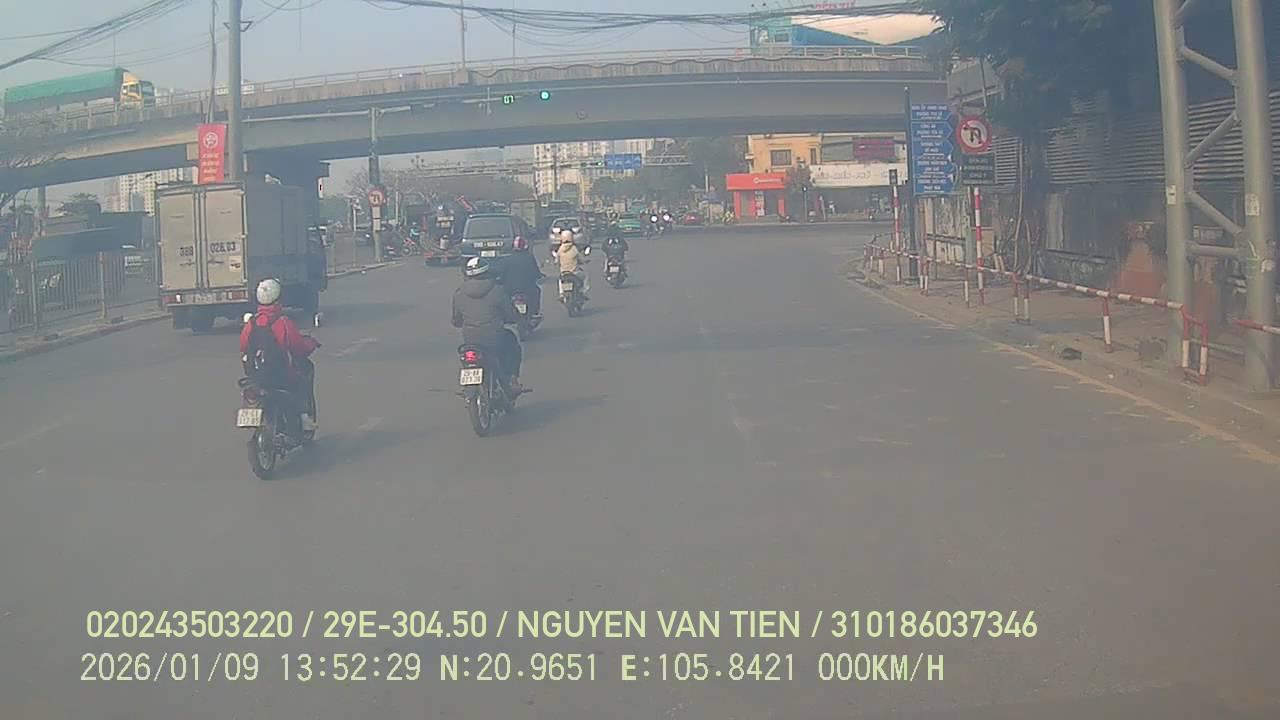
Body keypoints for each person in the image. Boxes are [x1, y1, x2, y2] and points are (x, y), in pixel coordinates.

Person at [240, 278, 320, 433]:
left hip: (255, 375)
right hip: (280, 376)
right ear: (278, 299)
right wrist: (311, 343)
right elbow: (298, 348)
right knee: (302, 380)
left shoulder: (251, 323)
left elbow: (243, 346)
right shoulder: (283, 323)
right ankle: (304, 418)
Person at [452, 257, 524, 394]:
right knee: (512, 344)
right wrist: (514, 318)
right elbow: (510, 315)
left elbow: (456, 320)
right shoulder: (498, 290)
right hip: (495, 338)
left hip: (470, 340)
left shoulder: (459, 293)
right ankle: (512, 380)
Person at [500, 236, 544, 319]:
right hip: (528, 289)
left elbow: (501, 275)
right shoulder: (529, 258)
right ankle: (534, 313)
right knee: (537, 291)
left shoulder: (507, 259)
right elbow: (536, 273)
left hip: (511, 290)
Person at [554, 229, 589, 300]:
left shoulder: (560, 249)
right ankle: (583, 291)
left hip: (564, 272)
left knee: (560, 280)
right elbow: (580, 259)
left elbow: (556, 261)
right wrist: (583, 261)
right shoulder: (574, 249)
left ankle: (561, 293)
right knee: (585, 276)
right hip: (574, 272)